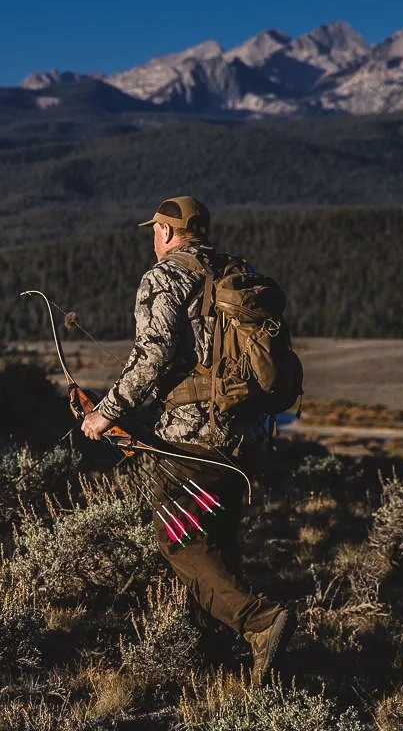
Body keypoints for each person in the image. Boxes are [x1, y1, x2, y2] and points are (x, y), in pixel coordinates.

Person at [79, 196, 291, 683]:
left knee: (181, 545)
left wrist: (104, 416)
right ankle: (216, 662)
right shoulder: (237, 271)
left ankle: (261, 621)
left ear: (169, 233)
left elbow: (151, 358)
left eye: (155, 230)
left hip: (192, 440)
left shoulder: (164, 278)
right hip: (245, 435)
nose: (153, 238)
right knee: (217, 545)